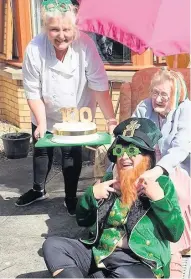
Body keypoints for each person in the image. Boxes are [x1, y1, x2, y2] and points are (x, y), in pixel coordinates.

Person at [42, 117, 184, 278]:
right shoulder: (109, 179)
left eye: (131, 151)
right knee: (53, 246)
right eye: (118, 151)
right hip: (99, 254)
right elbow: (83, 221)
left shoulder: (162, 185)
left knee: (127, 275)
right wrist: (91, 196)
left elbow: (175, 233)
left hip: (138, 262)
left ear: (147, 157)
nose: (124, 157)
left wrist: (159, 200)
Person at [15, 0, 117, 216]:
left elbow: (99, 85)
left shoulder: (86, 46)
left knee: (72, 154)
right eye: (54, 29)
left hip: (76, 114)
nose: (61, 35)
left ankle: (70, 197)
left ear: (75, 28)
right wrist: (41, 122)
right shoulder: (34, 48)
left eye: (66, 30)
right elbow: (32, 90)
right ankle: (38, 189)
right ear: (45, 29)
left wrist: (110, 120)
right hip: (45, 111)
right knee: (42, 151)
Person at [132, 68, 191, 277]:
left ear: (176, 95)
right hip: (145, 166)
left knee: (177, 193)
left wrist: (158, 171)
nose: (158, 99)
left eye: (164, 95)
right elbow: (132, 138)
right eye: (155, 93)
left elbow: (180, 149)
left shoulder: (185, 109)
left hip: (178, 166)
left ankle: (174, 251)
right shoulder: (143, 107)